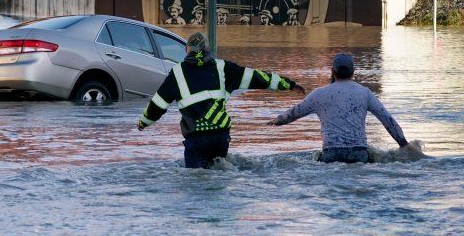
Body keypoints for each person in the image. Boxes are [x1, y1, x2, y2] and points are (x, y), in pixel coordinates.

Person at [138, 32, 305, 168]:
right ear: (209, 50)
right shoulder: (222, 67)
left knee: (196, 182)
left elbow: (158, 104)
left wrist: (143, 123)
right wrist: (289, 84)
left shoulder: (178, 72)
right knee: (221, 172)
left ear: (186, 50)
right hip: (221, 137)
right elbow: (257, 77)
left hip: (196, 139)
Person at [267, 53, 409, 163]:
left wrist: (276, 121)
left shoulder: (319, 94)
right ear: (353, 72)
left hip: (331, 153)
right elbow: (387, 120)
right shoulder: (364, 93)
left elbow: (292, 114)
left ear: (332, 71)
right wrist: (404, 145)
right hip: (359, 154)